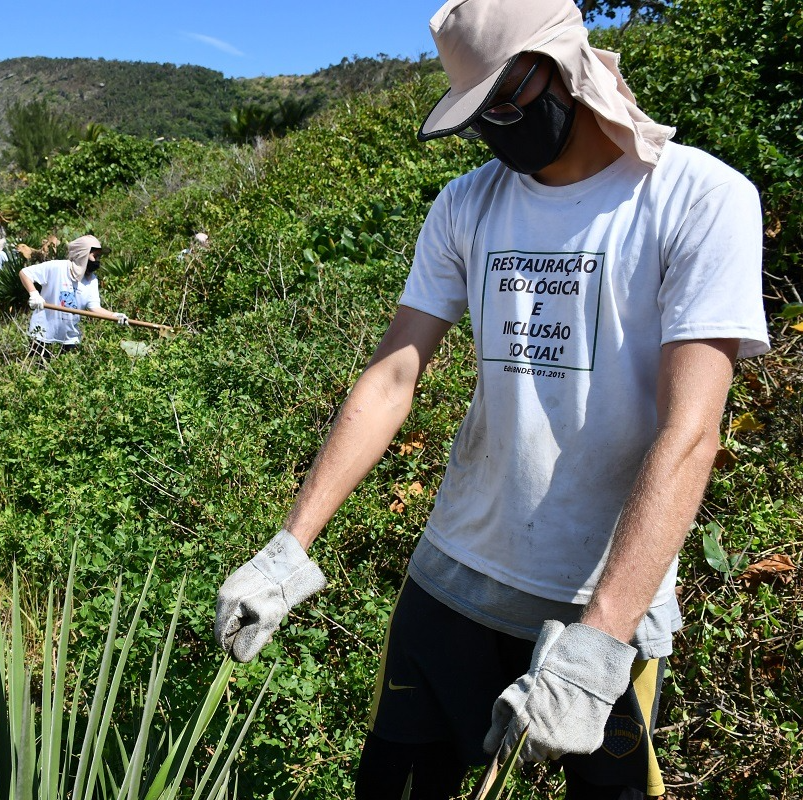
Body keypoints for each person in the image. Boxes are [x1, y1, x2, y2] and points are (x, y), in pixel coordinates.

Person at [213, 1, 769, 798]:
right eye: (479, 115)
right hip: (455, 575)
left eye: (509, 99)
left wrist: (602, 641)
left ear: (569, 66)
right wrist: (288, 549)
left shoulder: (696, 198)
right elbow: (392, 376)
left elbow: (690, 432)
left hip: (597, 604)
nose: (500, 130)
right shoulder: (467, 205)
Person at [19, 234, 129, 359]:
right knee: (38, 374)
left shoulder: (91, 280)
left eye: (99, 257)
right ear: (82, 254)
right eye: (95, 256)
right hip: (43, 335)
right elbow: (25, 273)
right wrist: (34, 294)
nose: (98, 260)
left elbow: (95, 308)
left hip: (70, 338)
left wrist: (114, 315)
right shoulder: (57, 267)